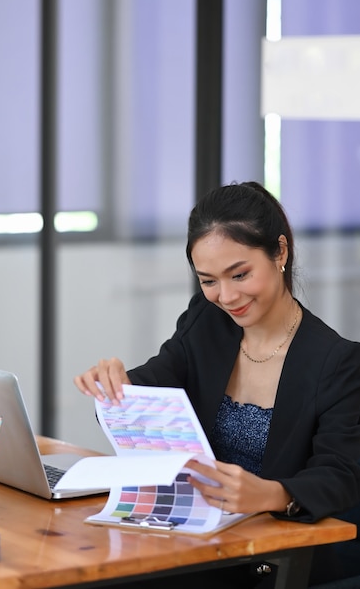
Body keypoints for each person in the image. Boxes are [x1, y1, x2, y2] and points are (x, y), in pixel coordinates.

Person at [74, 181, 360, 588]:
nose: (226, 296)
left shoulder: (337, 361)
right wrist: (116, 388)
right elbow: (154, 385)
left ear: (280, 252)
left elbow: (341, 475)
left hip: (273, 556)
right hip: (193, 541)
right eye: (208, 281)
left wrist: (272, 494)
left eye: (239, 274)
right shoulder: (205, 323)